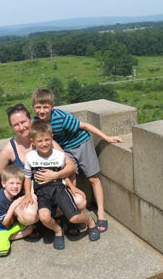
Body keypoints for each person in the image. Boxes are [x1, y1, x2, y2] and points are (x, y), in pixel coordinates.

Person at [31, 89, 124, 232]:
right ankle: (71, 215)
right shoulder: (36, 122)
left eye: (45, 107)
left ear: (52, 106)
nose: (41, 110)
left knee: (93, 178)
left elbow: (85, 126)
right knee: (68, 177)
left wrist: (107, 138)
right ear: (33, 107)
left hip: (81, 143)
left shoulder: (61, 117)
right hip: (64, 149)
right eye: (38, 107)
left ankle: (101, 213)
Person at [0, 103, 84, 229]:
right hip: (30, 196)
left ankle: (58, 218)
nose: (21, 127)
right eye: (16, 125)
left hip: (54, 189)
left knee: (80, 201)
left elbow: (71, 167)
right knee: (29, 215)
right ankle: (40, 223)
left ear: (30, 119)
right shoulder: (10, 149)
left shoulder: (44, 140)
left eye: (23, 122)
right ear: (12, 127)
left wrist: (55, 175)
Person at [21, 120, 100, 250]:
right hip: (42, 192)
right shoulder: (30, 157)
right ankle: (58, 231)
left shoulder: (59, 156)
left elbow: (63, 174)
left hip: (59, 189)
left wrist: (72, 187)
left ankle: (90, 222)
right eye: (39, 141)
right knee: (44, 217)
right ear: (33, 142)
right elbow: (28, 177)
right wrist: (28, 195)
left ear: (52, 138)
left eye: (47, 139)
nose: (44, 143)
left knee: (74, 217)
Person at [0, 165, 33, 256]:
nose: (15, 186)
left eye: (18, 183)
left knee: (30, 229)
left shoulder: (16, 193)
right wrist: (14, 205)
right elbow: (4, 222)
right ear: (3, 184)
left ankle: (6, 236)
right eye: (11, 183)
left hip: (8, 227)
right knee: (2, 251)